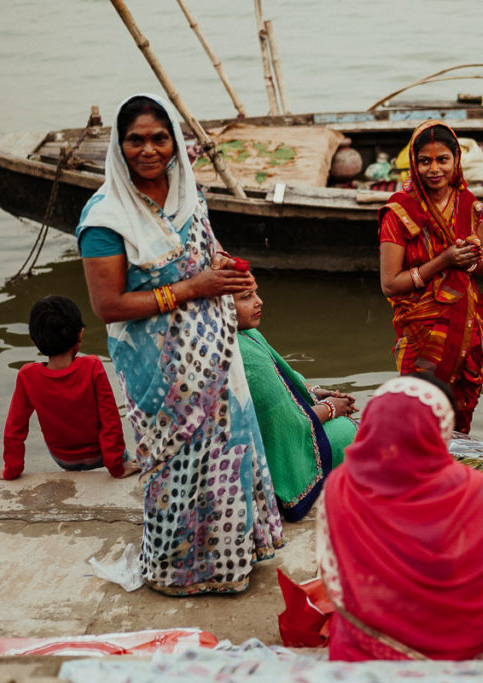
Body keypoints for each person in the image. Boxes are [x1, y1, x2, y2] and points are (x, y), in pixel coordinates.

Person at [76, 93, 284, 596]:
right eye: (135, 140)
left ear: (173, 144)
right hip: (157, 371)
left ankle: (229, 561)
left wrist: (229, 276)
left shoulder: (189, 196)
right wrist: (192, 289)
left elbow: (205, 253)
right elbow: (109, 305)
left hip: (215, 354)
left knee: (226, 456)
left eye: (158, 138)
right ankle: (175, 571)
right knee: (173, 469)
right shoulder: (106, 217)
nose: (148, 149)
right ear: (119, 147)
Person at [316, 374, 483, 661]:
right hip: (464, 647)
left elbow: (336, 578)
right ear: (439, 431)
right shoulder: (472, 488)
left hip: (370, 648)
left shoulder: (341, 485)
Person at [377, 120, 483, 433]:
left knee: (459, 420)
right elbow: (390, 283)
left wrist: (469, 260)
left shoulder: (469, 204)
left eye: (442, 160)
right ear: (414, 165)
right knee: (419, 413)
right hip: (422, 330)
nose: (434, 169)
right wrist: (443, 261)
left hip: (466, 324)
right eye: (424, 161)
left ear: (456, 161)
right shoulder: (398, 212)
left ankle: (454, 473)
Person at [234, 281, 357, 522]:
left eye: (256, 292)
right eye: (247, 297)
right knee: (350, 431)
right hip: (263, 459)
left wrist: (315, 392)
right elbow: (284, 424)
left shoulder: (246, 333)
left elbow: (284, 380)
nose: (259, 301)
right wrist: (332, 408)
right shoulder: (243, 353)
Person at [0, 295, 139, 481]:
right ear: (80, 333)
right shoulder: (93, 366)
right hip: (101, 456)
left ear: (33, 340)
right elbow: (110, 420)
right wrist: (117, 467)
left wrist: (11, 470)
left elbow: (14, 429)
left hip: (63, 459)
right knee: (123, 452)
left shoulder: (27, 375)